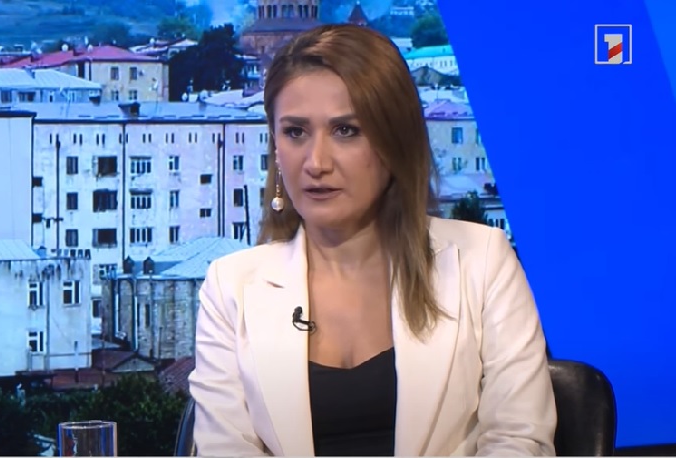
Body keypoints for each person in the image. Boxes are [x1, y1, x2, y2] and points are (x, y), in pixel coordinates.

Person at [188, 24, 556, 456]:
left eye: (346, 131)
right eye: (295, 132)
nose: (316, 162)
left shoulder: (483, 262)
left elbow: (519, 441)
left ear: (394, 141)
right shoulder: (230, 288)